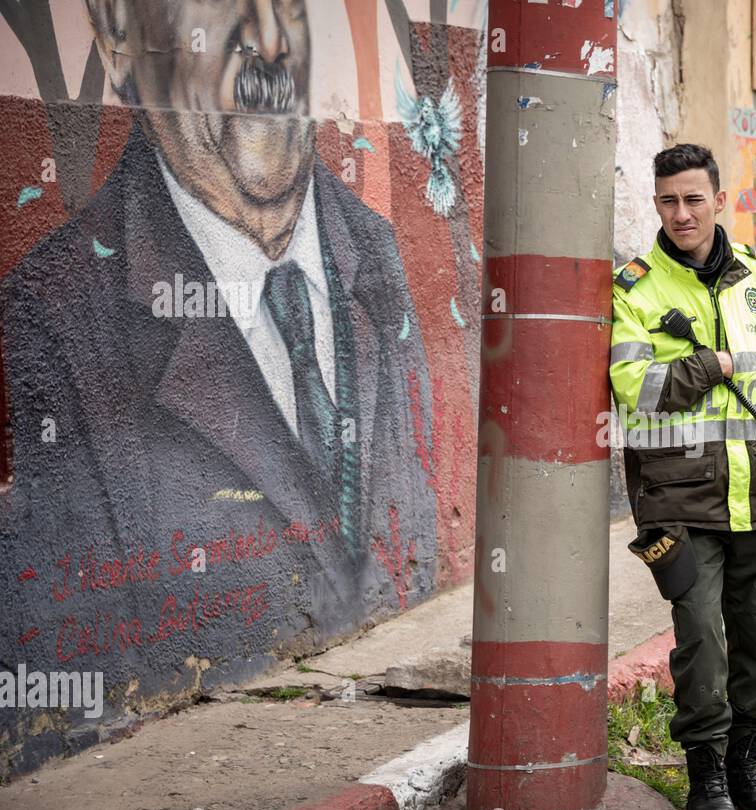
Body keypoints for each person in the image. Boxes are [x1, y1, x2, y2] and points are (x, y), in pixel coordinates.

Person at [0, 0, 438, 710]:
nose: (270, 42)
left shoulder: (377, 253)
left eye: (291, 5)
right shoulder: (59, 310)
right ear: (117, 34)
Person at [610, 144, 756, 810]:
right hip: (678, 499)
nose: (682, 213)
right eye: (669, 200)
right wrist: (711, 364)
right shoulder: (634, 290)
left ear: (718, 201)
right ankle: (704, 770)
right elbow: (635, 392)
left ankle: (746, 762)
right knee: (701, 634)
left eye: (694, 199)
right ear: (656, 204)